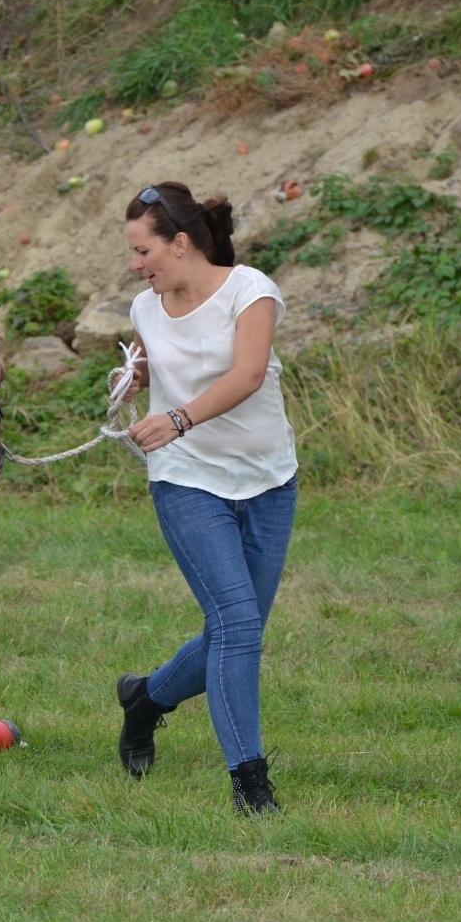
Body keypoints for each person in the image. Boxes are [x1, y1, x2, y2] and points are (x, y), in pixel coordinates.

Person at [112, 181, 298, 815]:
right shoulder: (145, 308)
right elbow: (151, 366)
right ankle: (252, 786)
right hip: (186, 478)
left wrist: (181, 417)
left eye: (143, 252)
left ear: (181, 243)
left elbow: (248, 373)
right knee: (238, 627)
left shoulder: (252, 290)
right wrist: (136, 380)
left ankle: (145, 699)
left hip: (269, 480)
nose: (136, 266)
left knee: (235, 630)